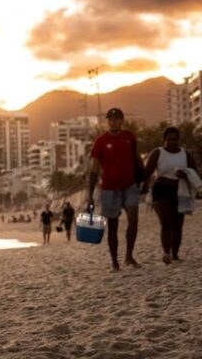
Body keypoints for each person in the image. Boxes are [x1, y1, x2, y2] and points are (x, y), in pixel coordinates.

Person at [85, 107, 144, 272]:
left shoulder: (129, 137)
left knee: (133, 220)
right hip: (109, 189)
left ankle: (129, 256)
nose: (113, 122)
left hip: (130, 185)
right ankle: (114, 262)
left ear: (122, 121)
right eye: (110, 119)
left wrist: (145, 178)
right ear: (107, 122)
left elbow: (137, 158)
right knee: (113, 226)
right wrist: (89, 195)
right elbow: (94, 169)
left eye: (117, 119)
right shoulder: (100, 141)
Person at [143, 126, 199, 264]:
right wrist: (144, 187)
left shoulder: (185, 154)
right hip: (161, 190)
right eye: (169, 140)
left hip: (179, 190)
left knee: (178, 224)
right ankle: (166, 253)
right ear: (164, 140)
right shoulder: (158, 152)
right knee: (166, 222)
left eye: (175, 139)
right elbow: (147, 171)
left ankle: (175, 254)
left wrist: (184, 173)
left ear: (178, 140)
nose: (172, 142)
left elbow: (194, 172)